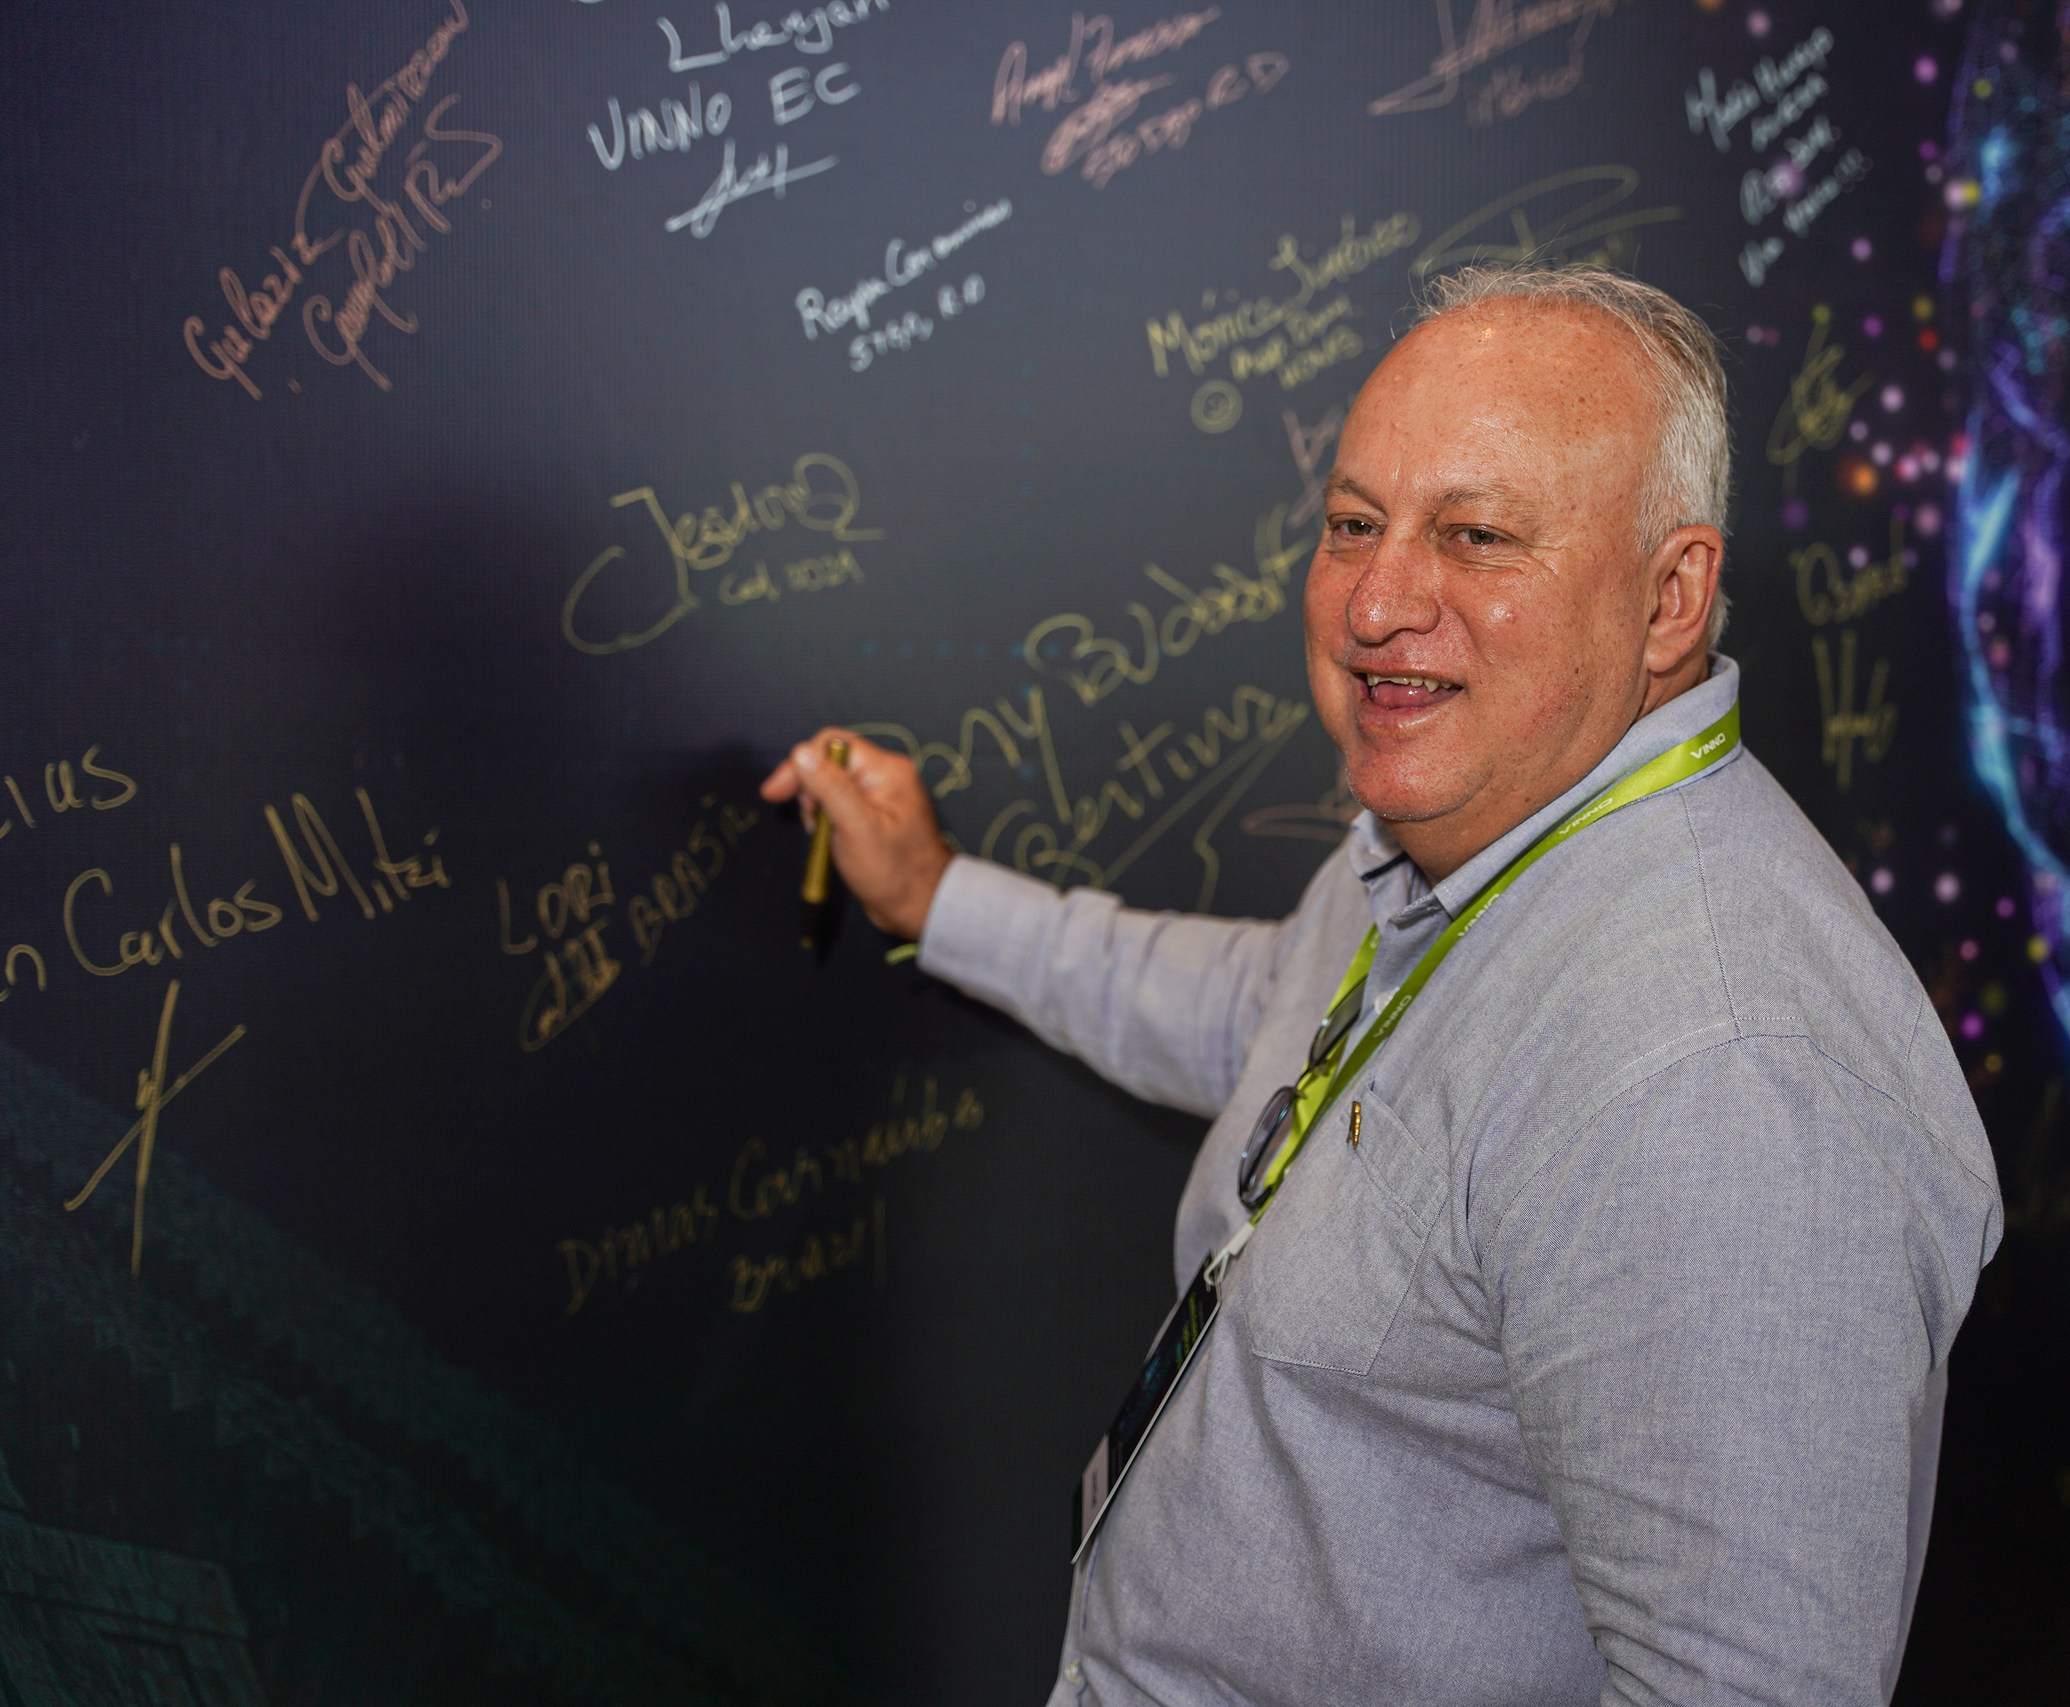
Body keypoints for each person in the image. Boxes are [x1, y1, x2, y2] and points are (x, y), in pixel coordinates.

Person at [762, 265, 2002, 1706]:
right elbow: (1265, 1010)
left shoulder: (1719, 1079)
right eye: (1355, 523)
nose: (1377, 599)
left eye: (1476, 536)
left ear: (1672, 600)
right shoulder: (1486, 827)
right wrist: (938, 901)